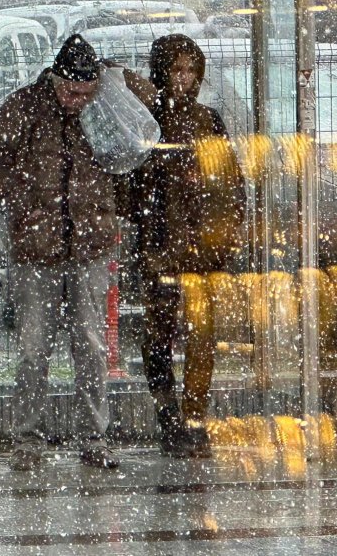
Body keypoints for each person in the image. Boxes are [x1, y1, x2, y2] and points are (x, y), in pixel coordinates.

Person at [0, 34, 139, 471]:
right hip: (37, 248)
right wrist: (23, 203)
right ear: (53, 80)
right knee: (34, 349)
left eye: (86, 94)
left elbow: (140, 127)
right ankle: (28, 439)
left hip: (89, 245)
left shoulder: (103, 108)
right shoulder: (24, 107)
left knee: (90, 346)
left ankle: (94, 437)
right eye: (71, 92)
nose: (77, 102)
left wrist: (113, 81)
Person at [130, 34, 245, 458]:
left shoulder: (208, 120)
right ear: (162, 72)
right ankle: (169, 418)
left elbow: (230, 181)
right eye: (177, 70)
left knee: (201, 332)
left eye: (192, 70)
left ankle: (194, 417)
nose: (186, 79)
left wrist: (227, 229)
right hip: (160, 245)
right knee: (159, 335)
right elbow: (135, 185)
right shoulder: (148, 120)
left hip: (201, 245)